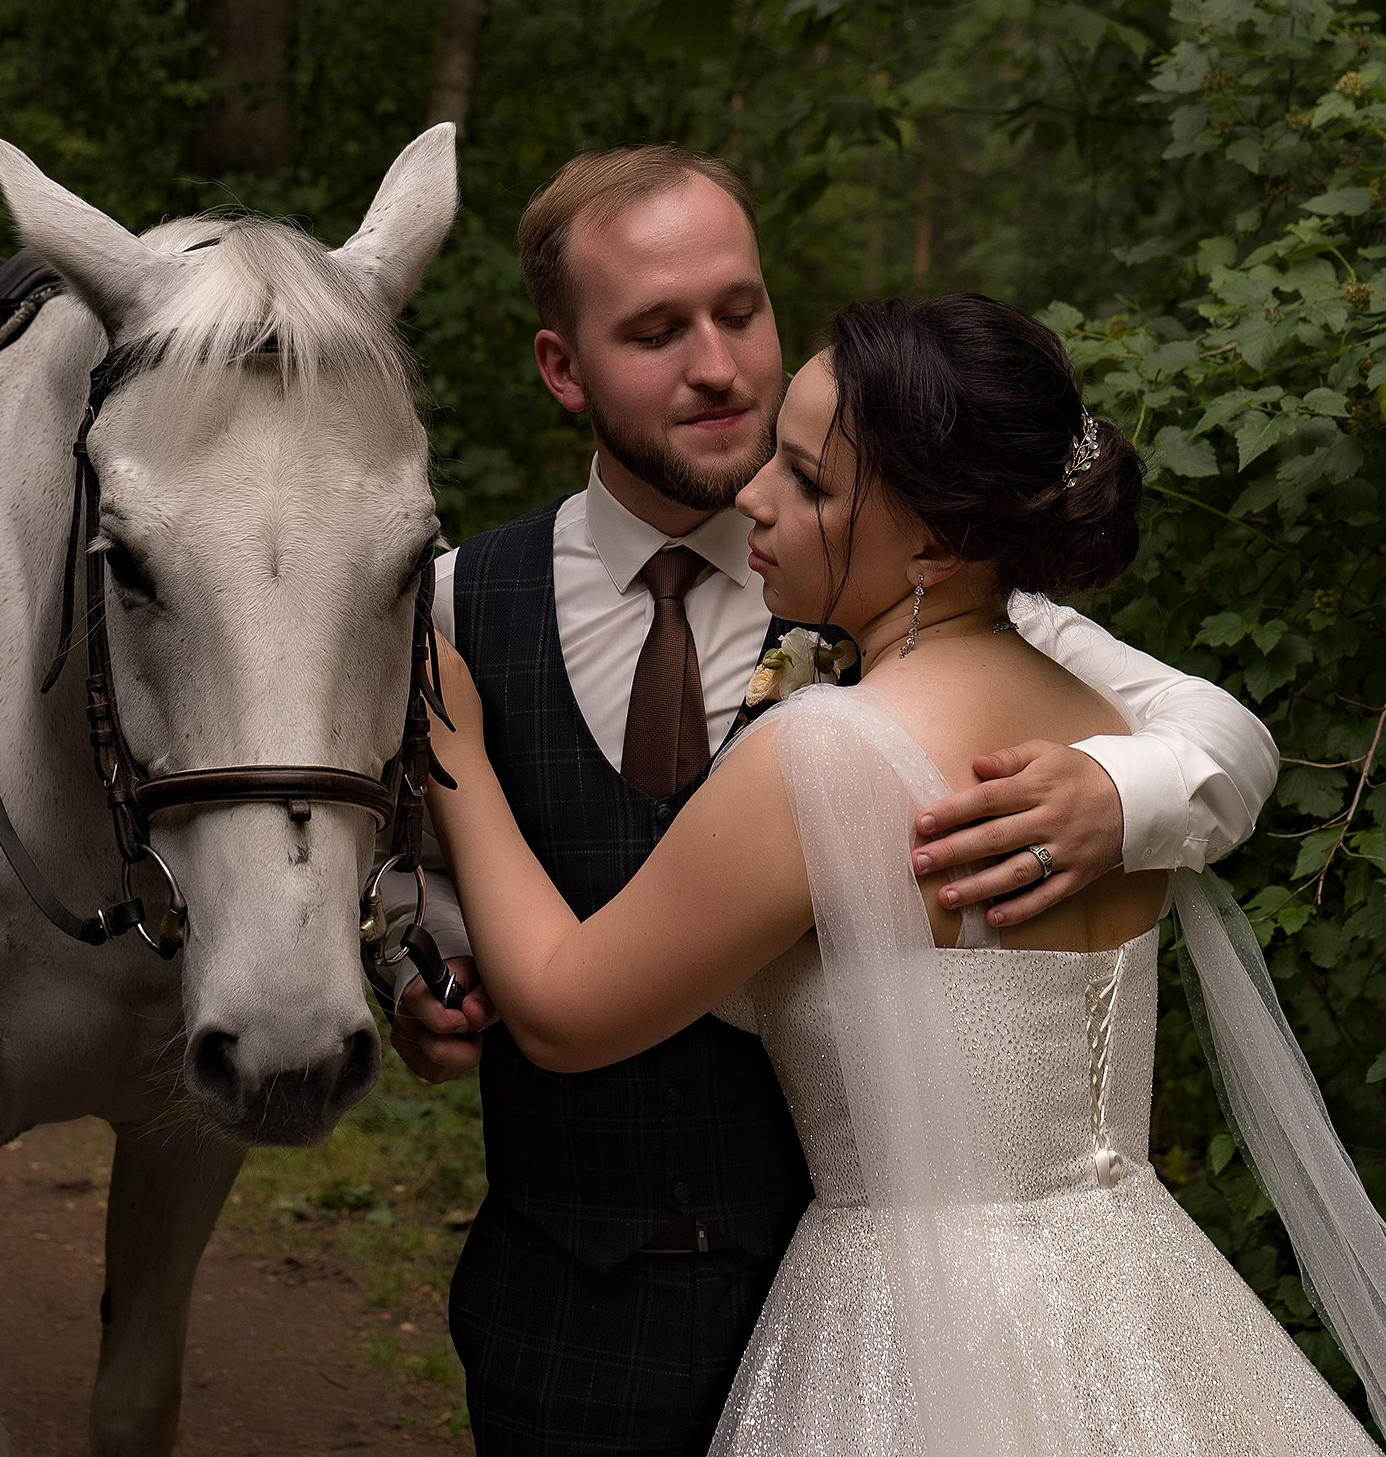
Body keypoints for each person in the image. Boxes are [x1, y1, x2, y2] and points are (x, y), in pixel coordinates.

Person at [427, 295, 1386, 1457]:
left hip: (902, 1333)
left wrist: (453, 748)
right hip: (1132, 1290)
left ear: (936, 543)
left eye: (808, 482)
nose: (753, 499)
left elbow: (564, 1009)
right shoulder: (1100, 733)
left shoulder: (823, 754)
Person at [377, 146, 1291, 1456]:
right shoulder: (463, 605)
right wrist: (422, 967)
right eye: (654, 330)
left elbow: (1218, 737)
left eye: (740, 310)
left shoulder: (939, 581)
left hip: (847, 1312)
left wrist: (1110, 790)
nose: (720, 366)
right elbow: (393, 871)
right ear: (561, 367)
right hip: (577, 1303)